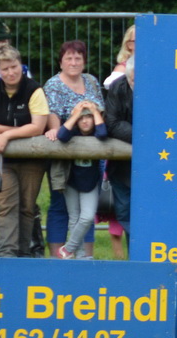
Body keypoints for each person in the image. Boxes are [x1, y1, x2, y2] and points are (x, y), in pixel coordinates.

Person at [0, 43, 49, 257]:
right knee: (6, 205)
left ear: (21, 65)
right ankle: (7, 252)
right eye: (5, 69)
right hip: (2, 160)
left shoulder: (34, 89)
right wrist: (21, 130)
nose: (11, 72)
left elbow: (38, 126)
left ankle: (24, 253)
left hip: (32, 159)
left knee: (27, 207)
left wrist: (7, 134)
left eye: (14, 67)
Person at [42, 40, 106, 259]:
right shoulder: (53, 85)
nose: (73, 62)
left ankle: (84, 256)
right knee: (62, 207)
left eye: (78, 57)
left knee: (88, 210)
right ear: (60, 62)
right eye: (68, 58)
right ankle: (59, 256)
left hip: (93, 154)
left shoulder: (91, 81)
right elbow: (53, 117)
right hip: (65, 154)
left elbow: (101, 112)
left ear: (84, 61)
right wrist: (56, 129)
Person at [53, 100, 108, 258]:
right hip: (71, 181)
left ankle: (68, 249)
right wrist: (76, 113)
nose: (85, 121)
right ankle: (80, 255)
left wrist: (95, 111)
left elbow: (103, 134)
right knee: (74, 218)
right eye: (81, 118)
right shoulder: (72, 132)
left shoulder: (97, 132)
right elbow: (62, 135)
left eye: (89, 117)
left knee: (87, 217)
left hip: (90, 182)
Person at [104, 55, 134, 260]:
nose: (136, 84)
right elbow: (111, 123)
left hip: (156, 168)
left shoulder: (161, 87)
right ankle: (134, 262)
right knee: (124, 214)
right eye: (132, 80)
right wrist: (144, 135)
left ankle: (141, 258)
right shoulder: (117, 87)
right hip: (121, 167)